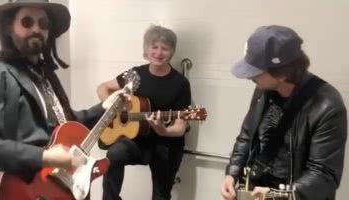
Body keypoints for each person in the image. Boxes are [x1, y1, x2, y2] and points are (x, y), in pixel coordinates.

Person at [0, 0, 113, 199]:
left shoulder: (45, 74)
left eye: (43, 24)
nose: (36, 29)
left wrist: (105, 107)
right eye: (27, 22)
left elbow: (64, 122)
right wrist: (45, 157)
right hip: (23, 190)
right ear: (9, 27)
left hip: (60, 189)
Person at [220, 25, 347, 200]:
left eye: (255, 73)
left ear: (281, 74)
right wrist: (232, 173)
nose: (250, 78)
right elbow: (246, 136)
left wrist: (279, 195)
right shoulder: (263, 90)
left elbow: (324, 174)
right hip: (257, 190)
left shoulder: (327, 105)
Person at [97, 25, 192, 200]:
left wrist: (164, 130)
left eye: (165, 48)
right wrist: (111, 106)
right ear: (146, 49)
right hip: (137, 140)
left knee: (161, 195)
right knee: (113, 155)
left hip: (166, 145)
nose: (158, 52)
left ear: (172, 52)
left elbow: (180, 126)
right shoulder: (135, 75)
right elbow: (103, 87)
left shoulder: (180, 84)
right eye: (154, 47)